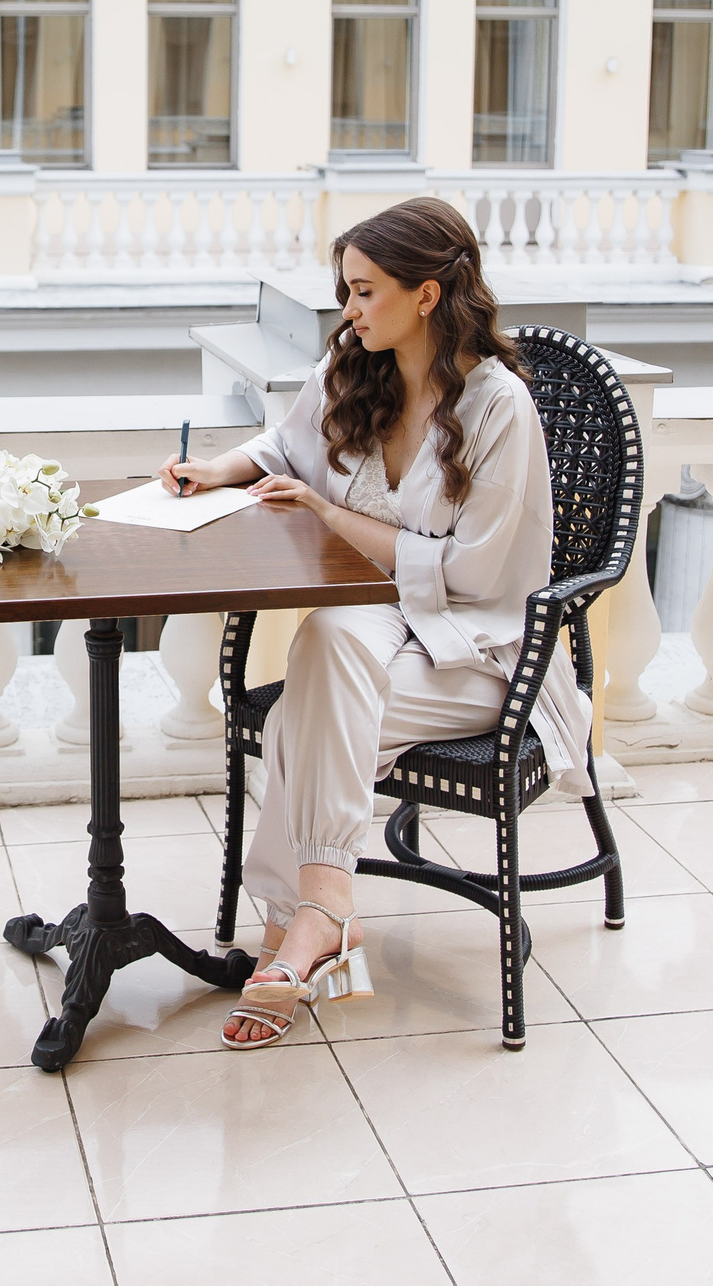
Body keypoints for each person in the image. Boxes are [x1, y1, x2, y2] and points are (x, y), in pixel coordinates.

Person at [154, 197, 589, 1048]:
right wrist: (216, 469)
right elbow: (283, 447)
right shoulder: (360, 365)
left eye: (363, 291)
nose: (347, 312)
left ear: (425, 294)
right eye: (345, 291)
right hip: (385, 634)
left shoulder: (501, 409)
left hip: (484, 650)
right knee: (327, 641)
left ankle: (302, 924)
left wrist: (328, 511)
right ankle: (327, 910)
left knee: (301, 716)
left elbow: (472, 573)